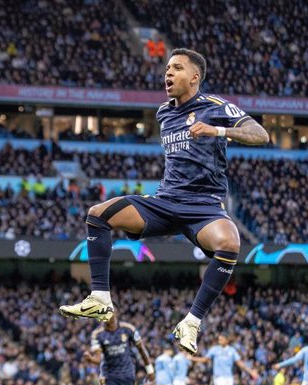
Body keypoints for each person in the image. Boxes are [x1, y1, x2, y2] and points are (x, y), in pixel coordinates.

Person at [59, 48, 269, 355]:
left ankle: (192, 321)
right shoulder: (164, 113)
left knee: (230, 242)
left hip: (204, 206)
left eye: (177, 69)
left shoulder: (215, 106)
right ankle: (100, 299)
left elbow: (260, 134)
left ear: (195, 77)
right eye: (167, 68)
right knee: (98, 214)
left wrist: (218, 130)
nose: (168, 74)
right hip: (166, 201)